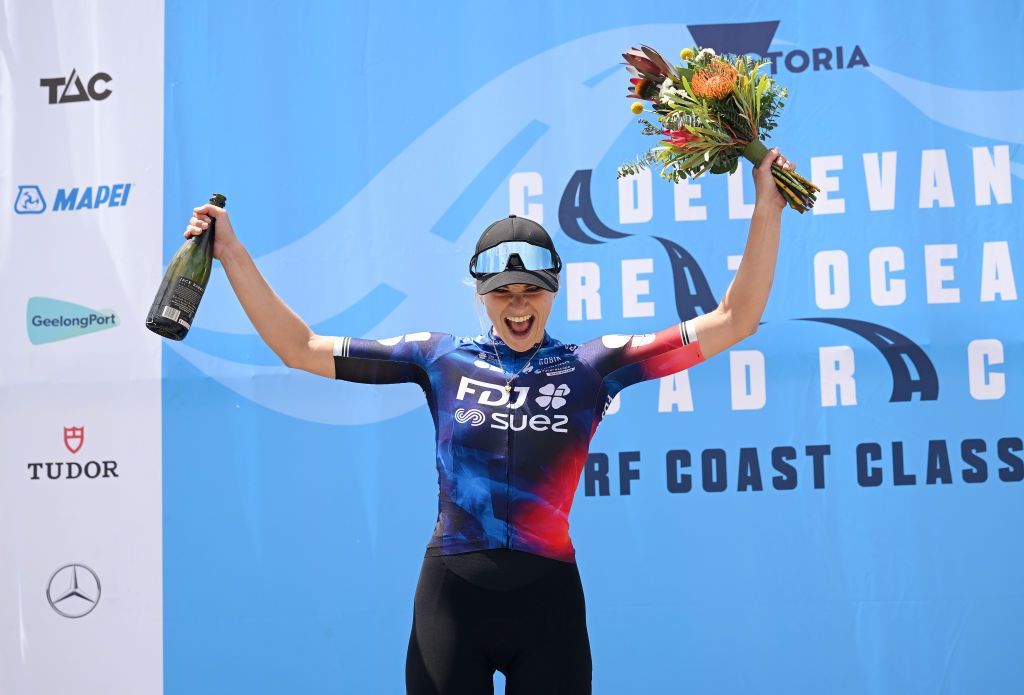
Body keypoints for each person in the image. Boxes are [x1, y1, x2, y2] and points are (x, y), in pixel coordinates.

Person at [185, 149, 794, 694]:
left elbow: (734, 320)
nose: (518, 304)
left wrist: (767, 206)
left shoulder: (593, 366)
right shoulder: (439, 358)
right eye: (502, 291)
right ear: (480, 293)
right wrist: (232, 253)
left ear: (554, 288)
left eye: (531, 288)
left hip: (546, 601)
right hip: (453, 597)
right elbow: (300, 348)